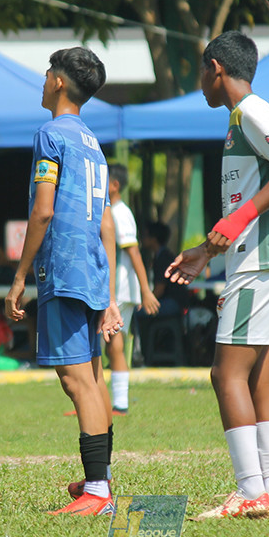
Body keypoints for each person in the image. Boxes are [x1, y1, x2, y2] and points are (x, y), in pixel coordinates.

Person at [166, 30, 269, 518]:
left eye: (200, 74)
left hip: (264, 261)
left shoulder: (251, 110)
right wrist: (206, 251)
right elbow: (248, 202)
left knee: (224, 374)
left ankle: (251, 493)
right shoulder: (238, 120)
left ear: (215, 68)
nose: (200, 83)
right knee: (258, 380)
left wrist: (236, 220)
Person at [5, 46, 123, 516]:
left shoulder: (50, 135)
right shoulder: (93, 143)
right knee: (93, 376)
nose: (43, 79)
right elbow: (108, 225)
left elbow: (43, 209)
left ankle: (97, 493)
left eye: (46, 72)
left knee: (78, 383)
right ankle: (101, 480)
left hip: (66, 268)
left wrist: (19, 278)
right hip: (92, 269)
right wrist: (110, 294)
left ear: (58, 81)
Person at [105, 163, 159, 414]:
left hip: (121, 289)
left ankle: (119, 403)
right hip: (117, 289)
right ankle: (108, 401)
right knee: (109, 343)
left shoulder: (119, 212)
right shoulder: (110, 211)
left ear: (115, 185)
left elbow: (134, 251)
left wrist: (145, 290)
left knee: (114, 342)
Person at [142, 221, 192, 317]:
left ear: (153, 238)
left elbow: (159, 289)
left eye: (145, 235)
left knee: (139, 312)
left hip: (173, 302)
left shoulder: (163, 258)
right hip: (175, 301)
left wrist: (146, 301)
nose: (143, 239)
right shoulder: (163, 255)